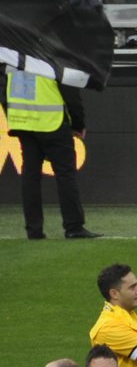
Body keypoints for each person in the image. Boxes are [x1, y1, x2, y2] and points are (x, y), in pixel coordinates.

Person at [3, 67, 98, 240]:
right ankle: (73, 226)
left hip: (23, 122)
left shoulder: (14, 54)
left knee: (30, 175)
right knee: (65, 174)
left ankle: (33, 230)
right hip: (51, 122)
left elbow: (4, 87)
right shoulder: (52, 53)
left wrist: (11, 114)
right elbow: (70, 92)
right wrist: (78, 123)